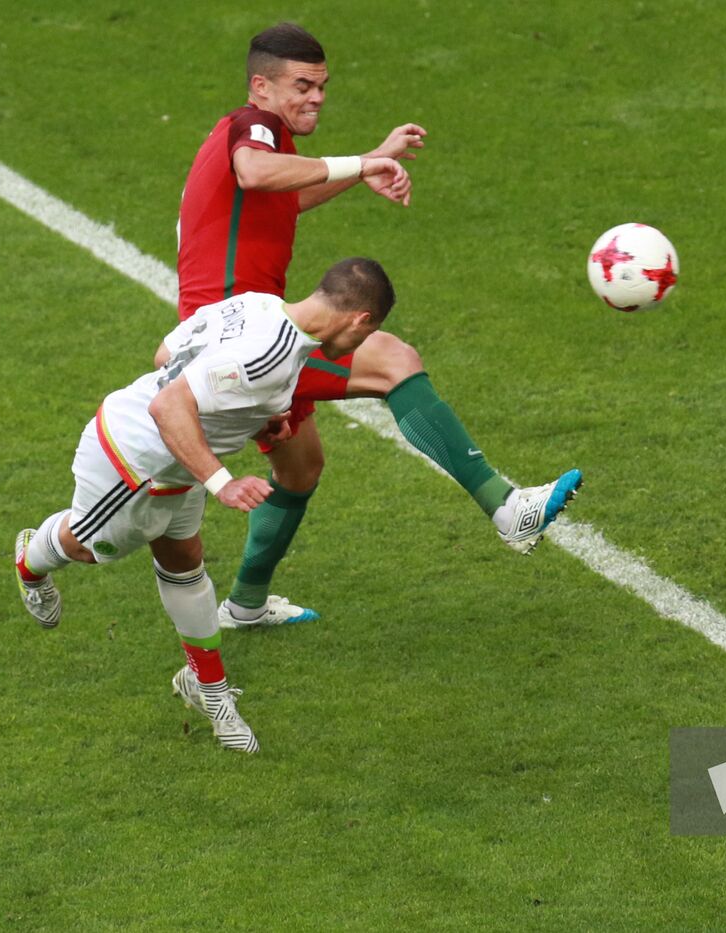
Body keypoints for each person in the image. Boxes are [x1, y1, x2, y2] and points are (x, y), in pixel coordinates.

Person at [177, 22, 581, 631]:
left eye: (322, 86)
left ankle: (245, 605)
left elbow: (277, 195)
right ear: (261, 86)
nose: (315, 97)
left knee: (300, 468)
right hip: (240, 338)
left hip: (229, 331)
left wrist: (363, 171)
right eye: (302, 85)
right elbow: (258, 173)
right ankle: (506, 508)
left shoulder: (258, 142)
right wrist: (363, 159)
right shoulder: (250, 127)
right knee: (392, 357)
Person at [14, 258, 395, 753]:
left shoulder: (261, 305)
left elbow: (165, 354)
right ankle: (29, 561)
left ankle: (208, 690)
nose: (361, 345)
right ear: (360, 319)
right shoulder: (272, 355)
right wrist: (223, 484)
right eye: (368, 335)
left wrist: (255, 423)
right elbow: (167, 404)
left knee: (185, 563)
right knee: (85, 548)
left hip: (181, 457)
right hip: (134, 461)